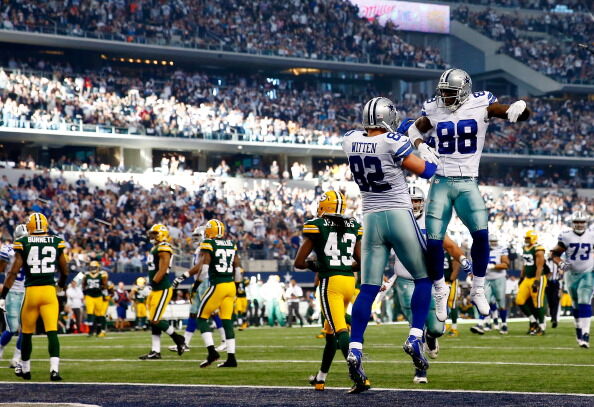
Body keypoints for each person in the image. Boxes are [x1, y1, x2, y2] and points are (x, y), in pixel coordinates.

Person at [408, 68, 530, 321]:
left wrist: (521, 107)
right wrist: (420, 147)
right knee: (433, 241)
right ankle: (440, 289)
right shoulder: (433, 108)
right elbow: (413, 130)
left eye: (450, 93)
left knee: (482, 235)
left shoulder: (481, 103)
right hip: (440, 180)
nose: (445, 97)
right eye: (442, 92)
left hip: (467, 181)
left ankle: (478, 287)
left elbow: (509, 113)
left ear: (463, 92)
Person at [341, 97, 440, 394]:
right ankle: (413, 335)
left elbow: (372, 143)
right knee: (424, 277)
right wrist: (423, 147)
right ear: (387, 117)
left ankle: (355, 347)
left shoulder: (349, 139)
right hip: (397, 214)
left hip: (369, 219)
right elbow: (426, 171)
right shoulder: (392, 142)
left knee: (368, 288)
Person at [378, 187, 467, 384]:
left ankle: (432, 337)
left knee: (436, 327)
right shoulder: (395, 221)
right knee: (414, 328)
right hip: (405, 280)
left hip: (430, 280)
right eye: (411, 200)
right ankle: (420, 370)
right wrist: (381, 275)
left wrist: (462, 258)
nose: (415, 204)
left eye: (418, 200)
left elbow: (450, 245)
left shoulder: (431, 222)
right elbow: (382, 249)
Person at [293, 191, 362, 391]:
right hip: (349, 282)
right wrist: (342, 266)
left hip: (330, 284)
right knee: (331, 332)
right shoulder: (353, 225)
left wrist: (316, 266)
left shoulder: (317, 225)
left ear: (325, 206)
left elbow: (299, 262)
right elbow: (361, 263)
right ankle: (321, 378)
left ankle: (359, 376)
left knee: (339, 330)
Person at [0, 213, 68, 380]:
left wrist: (3, 295)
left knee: (27, 333)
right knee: (52, 332)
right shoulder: (56, 241)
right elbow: (65, 270)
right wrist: (60, 285)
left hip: (30, 292)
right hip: (49, 292)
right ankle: (54, 370)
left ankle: (25, 368)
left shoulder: (23, 243)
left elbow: (13, 272)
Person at [172, 219, 242, 368]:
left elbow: (203, 270)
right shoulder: (231, 244)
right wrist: (237, 286)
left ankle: (212, 352)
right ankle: (231, 358)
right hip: (231, 286)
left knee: (201, 318)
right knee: (227, 321)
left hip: (218, 285)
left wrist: (196, 285)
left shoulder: (209, 244)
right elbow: (237, 268)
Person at [169, 226, 226, 353]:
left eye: (197, 236)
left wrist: (184, 276)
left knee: (213, 311)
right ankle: (185, 342)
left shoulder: (206, 247)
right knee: (194, 312)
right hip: (200, 282)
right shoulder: (200, 248)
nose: (195, 239)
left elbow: (200, 265)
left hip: (207, 282)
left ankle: (224, 340)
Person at [138, 224, 185, 359]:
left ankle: (178, 339)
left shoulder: (164, 247)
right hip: (156, 288)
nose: (151, 236)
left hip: (162, 288)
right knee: (153, 320)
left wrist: (150, 284)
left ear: (161, 234)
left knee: (155, 319)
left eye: (154, 233)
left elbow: (163, 269)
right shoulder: (156, 247)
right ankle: (155, 351)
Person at [551, 212, 593, 348]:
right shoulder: (566, 236)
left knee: (584, 299)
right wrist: (561, 263)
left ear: (586, 223)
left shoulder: (592, 235)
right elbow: (554, 254)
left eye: (582, 222)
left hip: (587, 272)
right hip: (571, 274)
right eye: (577, 221)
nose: (579, 224)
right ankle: (579, 329)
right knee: (575, 303)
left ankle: (586, 334)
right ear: (573, 223)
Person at [0, 224, 28, 370]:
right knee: (12, 328)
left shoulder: (32, 251)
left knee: (26, 328)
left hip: (27, 292)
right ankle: (0, 348)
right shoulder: (8, 250)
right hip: (12, 292)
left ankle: (16, 358)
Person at [470, 236, 510, 334]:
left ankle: (504, 324)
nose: (493, 243)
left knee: (501, 301)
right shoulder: (483, 250)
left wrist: (492, 266)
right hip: (486, 278)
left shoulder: (502, 249)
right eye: (492, 241)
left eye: (495, 241)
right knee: (484, 301)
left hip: (499, 278)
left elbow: (506, 264)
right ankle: (480, 324)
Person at [516, 231, 547, 336]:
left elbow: (540, 266)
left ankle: (542, 327)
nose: (526, 240)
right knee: (519, 300)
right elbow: (525, 264)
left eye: (528, 238)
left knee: (538, 303)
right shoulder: (525, 248)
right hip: (527, 278)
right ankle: (533, 321)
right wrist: (521, 277)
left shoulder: (539, 249)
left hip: (538, 278)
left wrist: (537, 280)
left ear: (533, 238)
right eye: (526, 238)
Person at [82, 261, 107, 337]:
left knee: (99, 314)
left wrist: (102, 287)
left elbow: (105, 285)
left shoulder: (102, 274)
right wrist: (84, 289)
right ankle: (90, 331)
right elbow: (76, 281)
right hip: (89, 296)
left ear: (98, 267)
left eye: (94, 267)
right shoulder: (85, 274)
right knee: (90, 313)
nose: (92, 269)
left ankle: (99, 331)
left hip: (98, 296)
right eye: (91, 267)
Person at [544, 251, 561, 329]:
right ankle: (552, 316)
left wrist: (561, 272)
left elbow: (565, 269)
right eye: (550, 253)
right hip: (547, 283)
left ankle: (554, 318)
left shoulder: (558, 261)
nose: (551, 254)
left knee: (555, 301)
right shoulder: (546, 261)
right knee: (550, 301)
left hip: (555, 283)